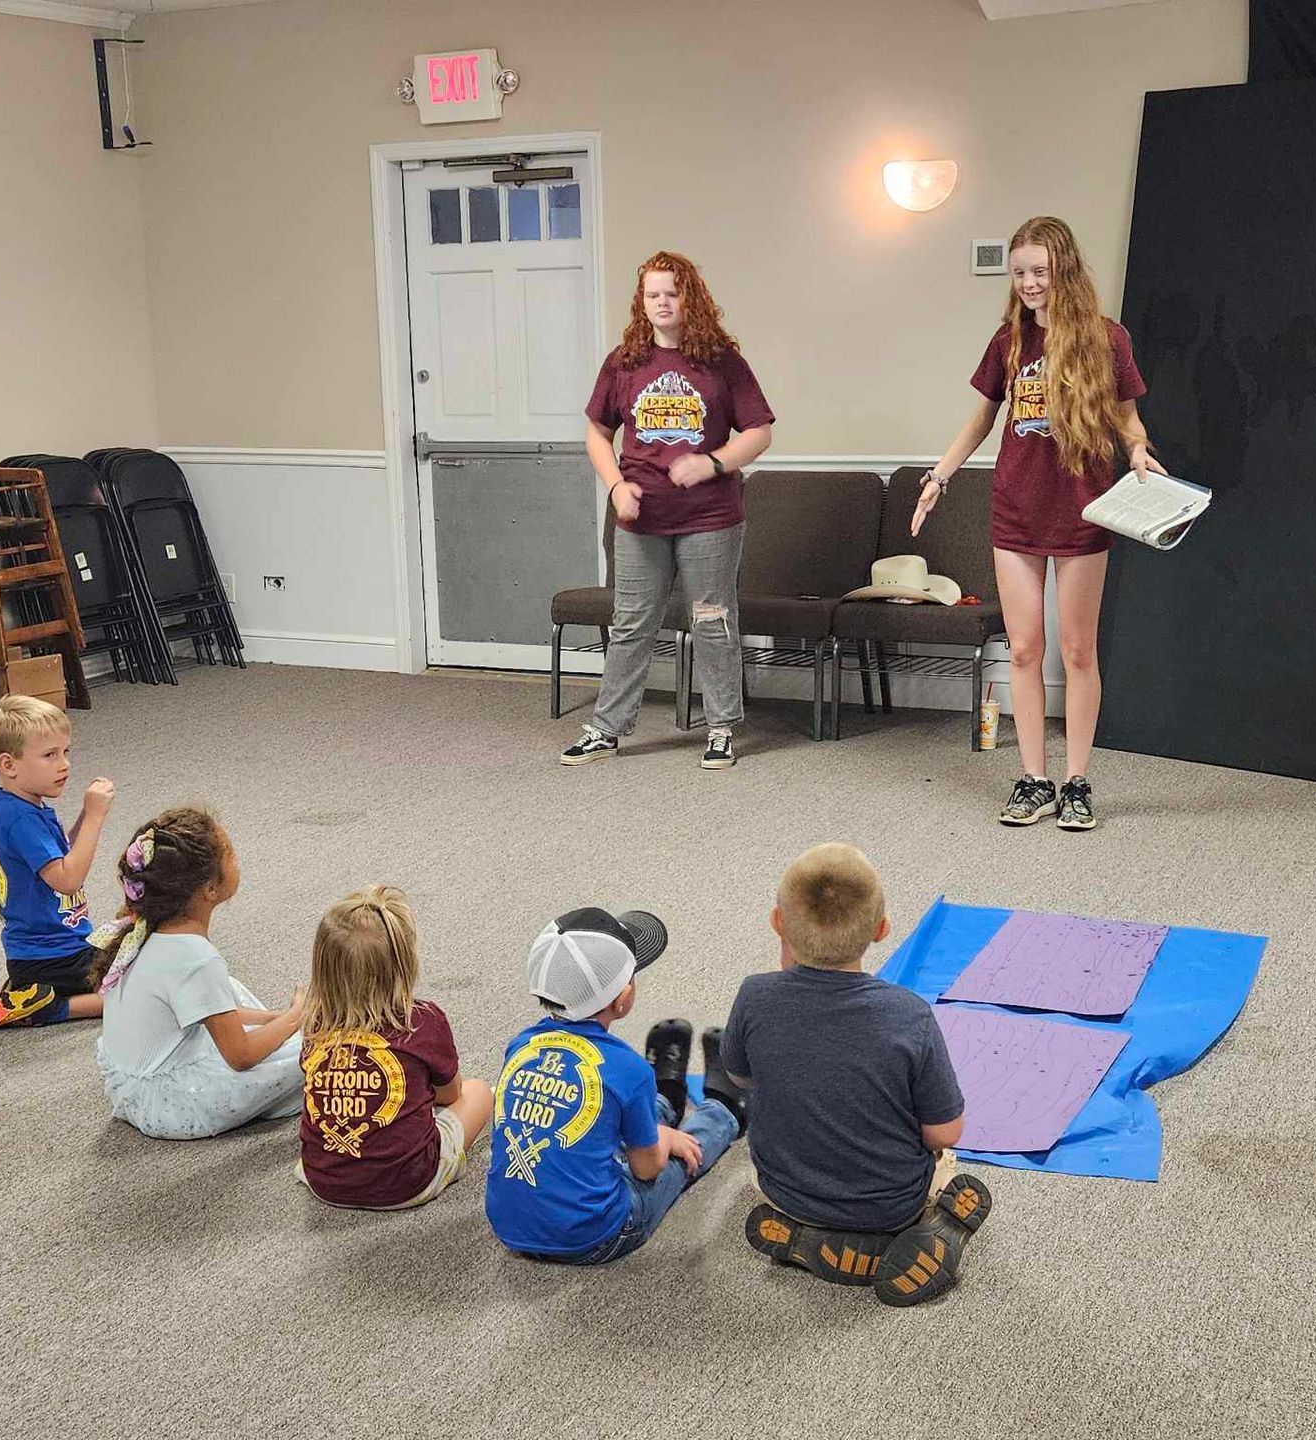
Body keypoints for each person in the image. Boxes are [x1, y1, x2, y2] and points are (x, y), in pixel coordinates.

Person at [911, 218, 1163, 830]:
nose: (1028, 283)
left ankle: (1076, 781)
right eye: (1020, 272)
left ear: (1064, 271)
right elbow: (980, 420)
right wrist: (940, 475)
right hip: (1016, 509)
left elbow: (1127, 421)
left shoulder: (1106, 339)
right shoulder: (1008, 342)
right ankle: (1034, 779)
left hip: (1082, 508)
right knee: (1024, 649)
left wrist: (1136, 451)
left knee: (1078, 651)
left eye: (1039, 272)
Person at [725, 843, 992, 1307]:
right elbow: (944, 1130)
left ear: (777, 923)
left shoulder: (754, 995)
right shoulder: (909, 1015)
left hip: (782, 1190)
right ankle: (934, 1230)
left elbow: (740, 1076)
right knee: (948, 1168)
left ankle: (807, 1234)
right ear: (882, 929)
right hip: (892, 1205)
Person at [559, 252, 775, 772]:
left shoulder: (723, 361)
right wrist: (615, 486)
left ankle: (721, 726)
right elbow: (596, 432)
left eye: (671, 293)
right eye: (652, 294)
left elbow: (760, 432)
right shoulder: (624, 362)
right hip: (640, 518)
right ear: (642, 302)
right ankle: (607, 729)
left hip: (710, 518)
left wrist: (713, 463)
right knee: (631, 622)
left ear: (690, 299)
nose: (661, 302)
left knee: (712, 619)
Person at [485, 907, 744, 1265]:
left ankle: (666, 1099)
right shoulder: (627, 1067)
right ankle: (725, 1112)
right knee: (672, 1161)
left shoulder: (520, 1046)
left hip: (509, 1228)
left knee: (601, 1116)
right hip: (597, 1236)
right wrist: (665, 1139)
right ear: (622, 999)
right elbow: (646, 1169)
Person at [92, 807, 307, 1140]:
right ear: (209, 889)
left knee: (228, 988)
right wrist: (296, 1016)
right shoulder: (196, 958)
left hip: (129, 1088)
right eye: (231, 855)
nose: (238, 861)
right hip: (173, 1105)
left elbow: (204, 1007)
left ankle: (280, 1032)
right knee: (317, 1056)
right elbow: (241, 1056)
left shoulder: (149, 927)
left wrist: (272, 1019)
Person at [294, 886, 493, 1210]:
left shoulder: (315, 1022)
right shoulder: (421, 1021)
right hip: (409, 1183)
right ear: (404, 964)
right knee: (480, 1092)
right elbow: (450, 1095)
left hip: (322, 1179)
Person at [0, 696, 114, 1030]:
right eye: (49, 755)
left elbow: (58, 853)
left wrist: (84, 814)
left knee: (137, 953)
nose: (64, 764)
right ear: (9, 765)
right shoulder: (18, 819)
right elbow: (67, 880)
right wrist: (96, 817)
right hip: (52, 956)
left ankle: (28, 989)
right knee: (144, 995)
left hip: (58, 946)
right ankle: (46, 1007)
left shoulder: (25, 806)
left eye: (65, 752)